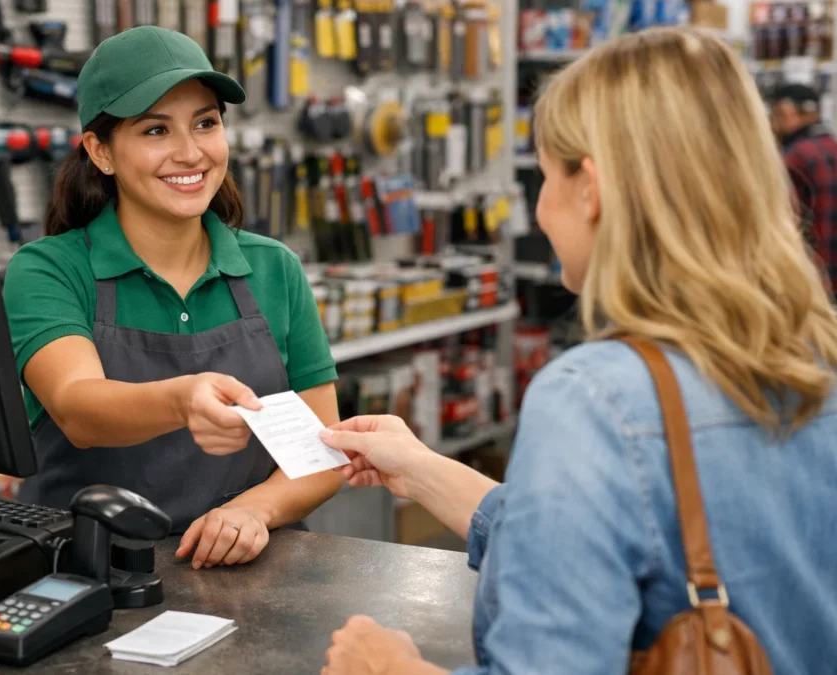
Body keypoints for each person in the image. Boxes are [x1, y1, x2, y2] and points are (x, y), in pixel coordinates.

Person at [315, 27, 837, 675]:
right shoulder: (815, 355)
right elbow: (631, 534)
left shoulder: (595, 397)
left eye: (543, 174)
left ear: (589, 187)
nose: (537, 209)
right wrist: (419, 467)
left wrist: (390, 669)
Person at [2, 26, 342, 569]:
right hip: (84, 573)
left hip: (245, 573)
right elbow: (77, 408)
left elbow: (324, 450)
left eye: (205, 123)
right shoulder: (48, 270)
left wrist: (254, 511)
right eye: (156, 130)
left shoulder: (274, 268)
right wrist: (183, 400)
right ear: (101, 151)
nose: (190, 153)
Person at [770, 83, 837, 294]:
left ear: (786, 111)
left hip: (810, 280)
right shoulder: (832, 146)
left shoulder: (794, 157)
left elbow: (781, 224)